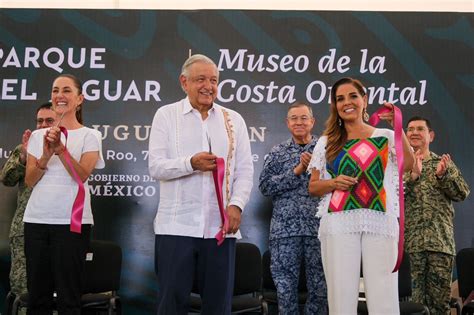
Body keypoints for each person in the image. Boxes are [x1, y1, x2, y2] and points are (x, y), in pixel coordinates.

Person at [148, 54, 253, 314]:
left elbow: (244, 170)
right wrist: (190, 164)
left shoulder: (233, 120)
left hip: (220, 230)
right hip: (176, 227)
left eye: (214, 80)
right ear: (184, 82)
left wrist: (236, 206)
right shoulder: (166, 115)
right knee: (171, 304)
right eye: (200, 79)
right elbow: (155, 166)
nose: (208, 86)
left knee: (218, 306)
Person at [308, 77, 414, 315]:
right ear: (334, 106)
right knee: (340, 295)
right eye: (339, 99)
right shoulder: (326, 142)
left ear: (364, 100)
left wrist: (399, 128)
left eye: (353, 96)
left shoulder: (385, 136)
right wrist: (334, 182)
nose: (347, 102)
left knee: (384, 294)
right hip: (338, 222)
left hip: (380, 221)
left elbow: (408, 164)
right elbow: (313, 187)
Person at [23, 74, 105, 314]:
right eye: (55, 90)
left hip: (71, 224)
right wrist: (47, 154)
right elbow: (29, 181)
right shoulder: (39, 136)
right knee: (38, 298)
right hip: (36, 221)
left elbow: (81, 176)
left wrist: (61, 150)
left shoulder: (91, 135)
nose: (60, 95)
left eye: (67, 91)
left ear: (79, 99)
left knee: (69, 297)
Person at [258, 102, 327, 314]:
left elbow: (335, 184)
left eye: (304, 118)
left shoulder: (326, 150)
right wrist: (296, 170)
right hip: (285, 232)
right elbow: (265, 186)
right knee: (285, 289)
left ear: (312, 122)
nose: (299, 122)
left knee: (321, 287)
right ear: (287, 123)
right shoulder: (278, 152)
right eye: (294, 118)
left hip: (319, 229)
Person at [404, 116, 470, 315]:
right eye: (410, 129)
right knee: (413, 306)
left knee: (438, 307)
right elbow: (389, 198)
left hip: (440, 245)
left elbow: (462, 193)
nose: (414, 132)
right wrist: (412, 177)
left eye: (420, 129)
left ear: (430, 136)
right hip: (411, 247)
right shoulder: (400, 166)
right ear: (405, 135)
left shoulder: (442, 163)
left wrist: (443, 176)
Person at [1, 102, 56, 298]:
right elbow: (6, 179)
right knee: (24, 291)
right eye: (39, 121)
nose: (42, 125)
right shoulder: (25, 149)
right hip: (25, 230)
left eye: (49, 121)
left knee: (56, 290)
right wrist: (23, 157)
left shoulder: (69, 150)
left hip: (58, 229)